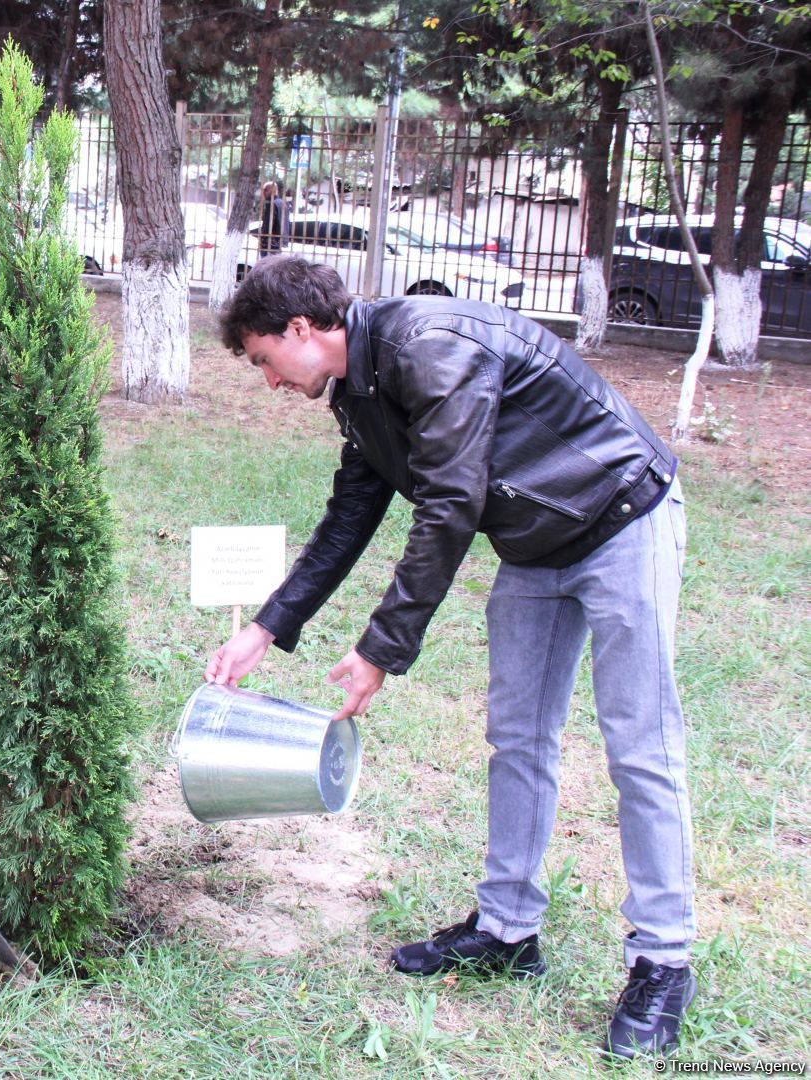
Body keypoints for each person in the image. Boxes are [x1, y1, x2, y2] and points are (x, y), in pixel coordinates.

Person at [207, 255, 695, 1060]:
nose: (266, 381)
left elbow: (450, 504)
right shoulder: (361, 395)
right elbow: (349, 520)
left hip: (621, 517)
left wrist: (378, 651)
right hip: (537, 548)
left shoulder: (430, 347)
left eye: (262, 359)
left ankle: (662, 961)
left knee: (640, 747)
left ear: (300, 329)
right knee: (518, 739)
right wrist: (265, 627)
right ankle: (508, 928)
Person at [258, 180, 287, 257]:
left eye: (266, 190)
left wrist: (262, 240)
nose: (263, 193)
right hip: (278, 243)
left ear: (273, 190)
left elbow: (267, 225)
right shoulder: (282, 204)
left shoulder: (272, 204)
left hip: (269, 244)